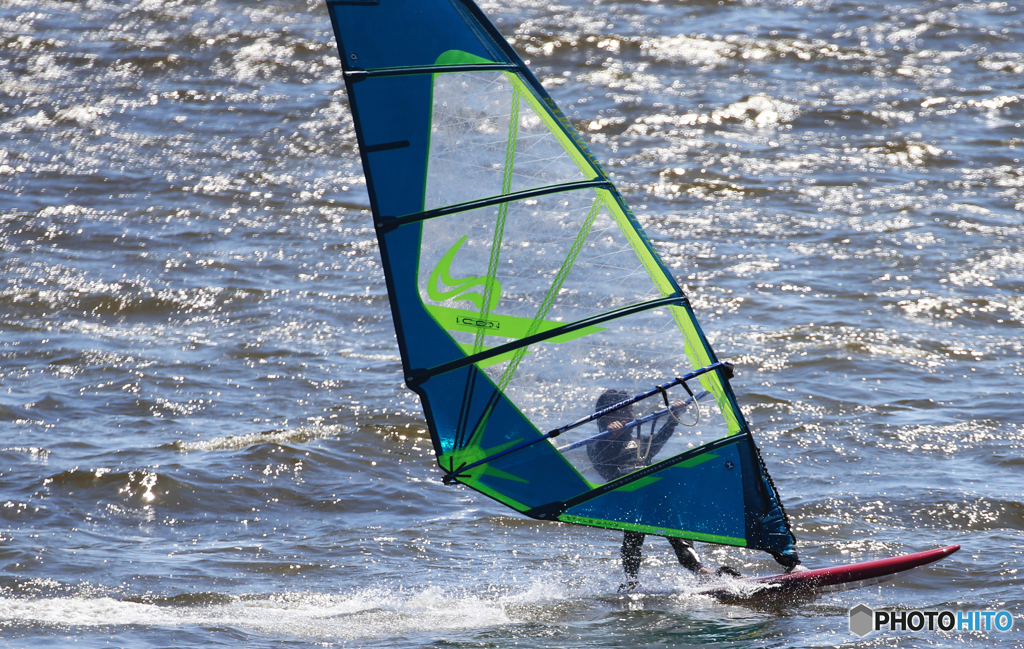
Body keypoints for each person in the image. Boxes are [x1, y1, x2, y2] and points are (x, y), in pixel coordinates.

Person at [587, 389, 741, 591]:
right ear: (610, 415)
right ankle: (632, 580)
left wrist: (673, 417)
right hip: (627, 496)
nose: (632, 415)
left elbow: (658, 441)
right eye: (626, 411)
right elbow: (600, 460)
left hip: (653, 493)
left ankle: (700, 572)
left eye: (632, 410)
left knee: (677, 532)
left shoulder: (640, 441)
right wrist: (609, 437)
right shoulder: (597, 443)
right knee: (634, 536)